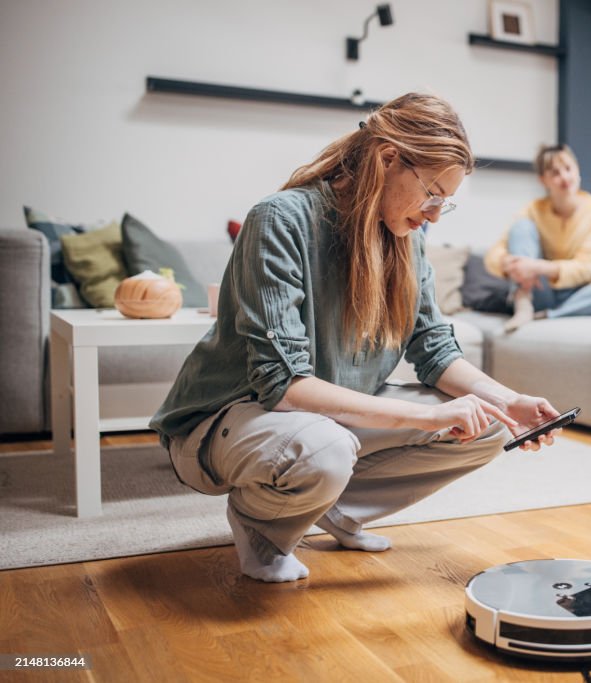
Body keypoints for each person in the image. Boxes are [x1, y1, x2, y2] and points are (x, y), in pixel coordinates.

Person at [151, 93, 561, 583]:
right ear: (388, 158)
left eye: (444, 204)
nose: (434, 215)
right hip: (229, 417)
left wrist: (509, 401)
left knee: (487, 421)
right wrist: (428, 415)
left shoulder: (407, 238)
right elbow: (283, 387)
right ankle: (262, 527)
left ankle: (334, 508)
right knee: (324, 449)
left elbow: (434, 349)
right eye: (433, 195)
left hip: (323, 419)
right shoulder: (280, 219)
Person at [484, 144, 591, 332]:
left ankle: (551, 315)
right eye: (555, 173)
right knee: (521, 227)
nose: (564, 177)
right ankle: (522, 303)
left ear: (577, 170)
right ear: (543, 180)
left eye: (568, 169)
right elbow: (493, 255)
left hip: (578, 293)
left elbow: (590, 267)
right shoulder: (533, 209)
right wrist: (509, 263)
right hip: (539, 289)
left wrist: (538, 267)